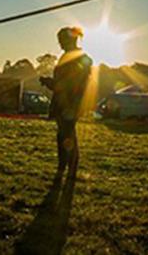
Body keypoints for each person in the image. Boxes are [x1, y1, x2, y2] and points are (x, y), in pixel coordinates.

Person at [40, 26, 93, 180]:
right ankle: (64, 166)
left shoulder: (75, 58)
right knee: (63, 134)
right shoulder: (71, 57)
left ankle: (69, 167)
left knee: (67, 134)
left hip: (69, 104)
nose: (60, 44)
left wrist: (50, 82)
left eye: (62, 40)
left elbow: (67, 84)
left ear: (69, 40)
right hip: (66, 103)